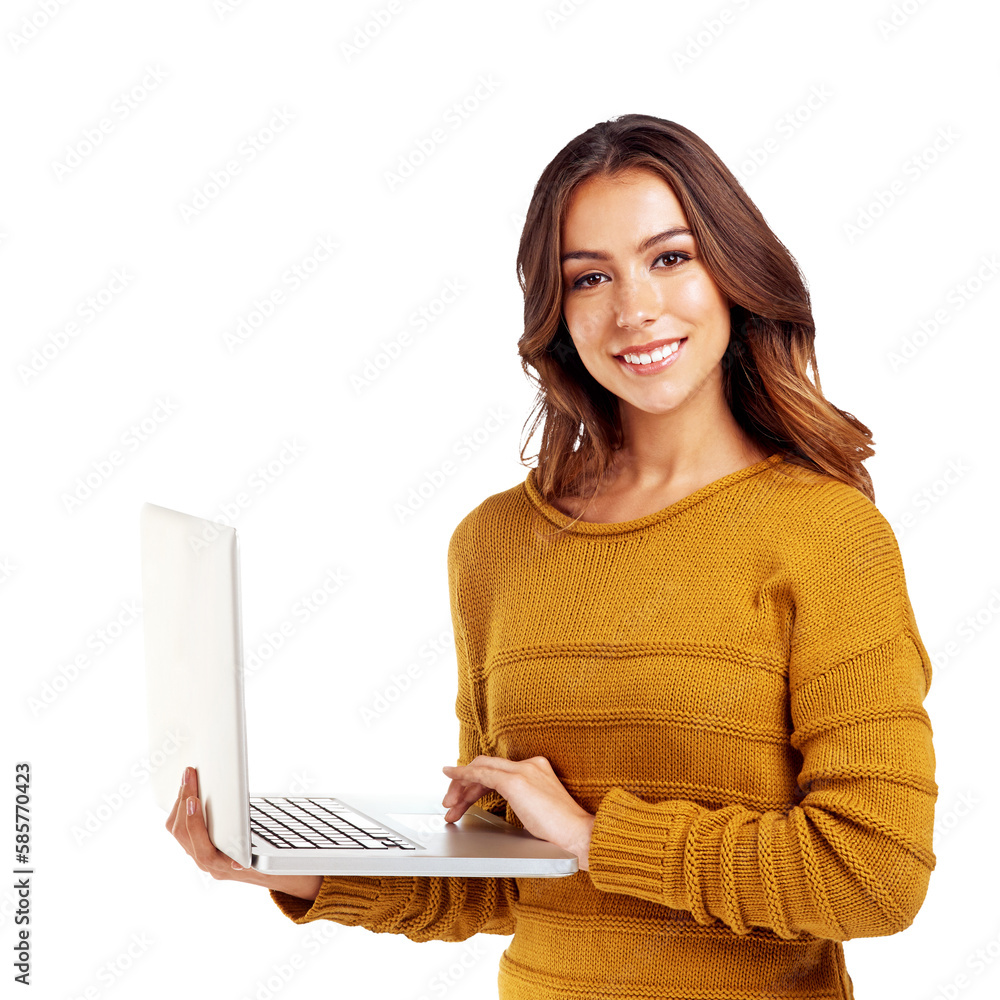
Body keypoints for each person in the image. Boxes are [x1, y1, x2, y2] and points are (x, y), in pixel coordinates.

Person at [167, 113, 937, 998]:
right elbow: (501, 876)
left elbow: (874, 874)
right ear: (558, 313)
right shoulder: (495, 544)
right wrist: (283, 865)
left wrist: (594, 837)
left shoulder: (827, 534)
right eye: (590, 277)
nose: (633, 308)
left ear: (734, 272)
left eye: (670, 258)